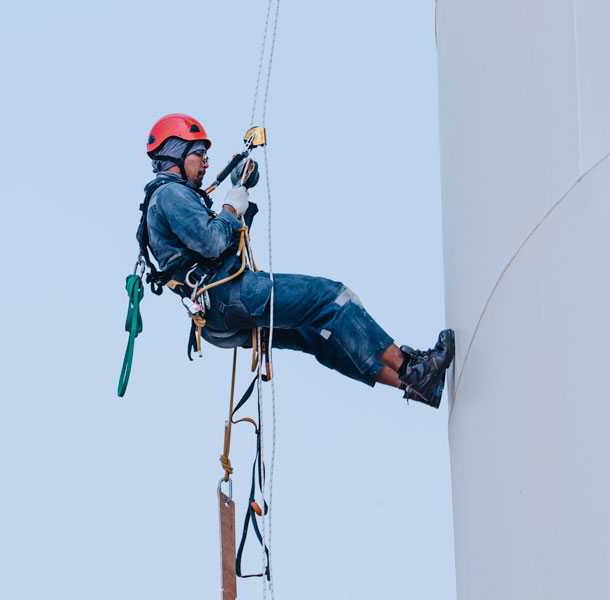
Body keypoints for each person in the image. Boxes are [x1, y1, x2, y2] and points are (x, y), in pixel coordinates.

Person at [138, 113, 454, 407]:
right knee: (331, 297)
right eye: (200, 155)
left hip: (215, 316)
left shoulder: (170, 199)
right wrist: (231, 207)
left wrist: (239, 191)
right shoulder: (170, 194)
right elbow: (213, 240)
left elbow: (216, 246)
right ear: (177, 153)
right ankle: (412, 369)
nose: (206, 164)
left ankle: (413, 386)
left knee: (318, 334)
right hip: (227, 296)